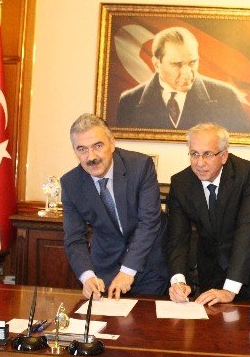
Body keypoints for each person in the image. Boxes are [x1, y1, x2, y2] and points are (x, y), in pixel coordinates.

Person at [61, 113, 169, 300]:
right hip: (105, 269)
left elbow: (149, 222)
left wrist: (128, 270)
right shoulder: (71, 183)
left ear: (112, 143)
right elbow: (74, 238)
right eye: (82, 149)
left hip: (149, 266)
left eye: (98, 146)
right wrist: (87, 276)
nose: (91, 157)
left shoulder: (140, 166)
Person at [166, 123, 250, 305]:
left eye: (208, 154)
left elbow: (247, 230)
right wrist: (178, 281)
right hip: (209, 273)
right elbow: (178, 239)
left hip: (244, 274)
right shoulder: (181, 183)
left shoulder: (247, 173)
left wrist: (230, 289)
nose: (200, 162)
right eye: (194, 154)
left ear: (223, 156)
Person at [116, 27, 250, 133]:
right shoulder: (129, 102)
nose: (187, 74)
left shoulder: (226, 97)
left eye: (192, 62)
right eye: (177, 64)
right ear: (157, 64)